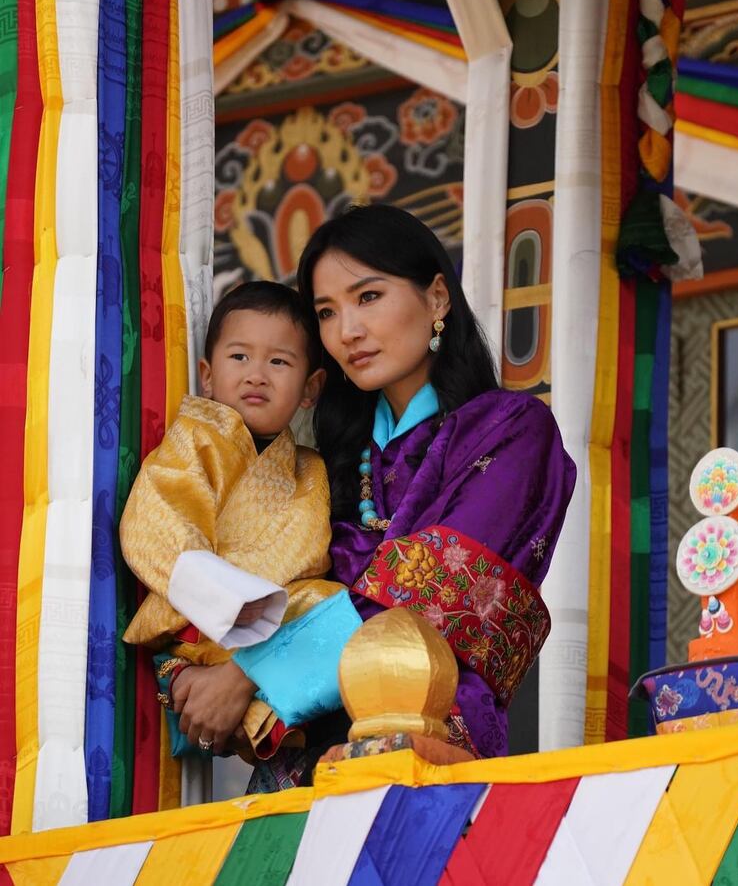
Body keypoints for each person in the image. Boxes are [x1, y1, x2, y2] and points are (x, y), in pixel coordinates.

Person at [172, 204, 576, 773]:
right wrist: (190, 671)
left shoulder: (514, 431)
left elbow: (428, 597)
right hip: (301, 757)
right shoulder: (324, 463)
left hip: (429, 741)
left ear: (437, 298)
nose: (348, 331)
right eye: (326, 313)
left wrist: (249, 673)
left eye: (368, 297)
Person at [120, 281, 350, 758]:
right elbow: (159, 522)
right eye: (239, 357)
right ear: (207, 375)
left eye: (279, 362)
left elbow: (311, 560)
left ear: (311, 389)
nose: (256, 375)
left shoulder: (312, 470)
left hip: (276, 629)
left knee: (336, 603)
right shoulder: (194, 443)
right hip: (200, 626)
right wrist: (235, 603)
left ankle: (262, 717)